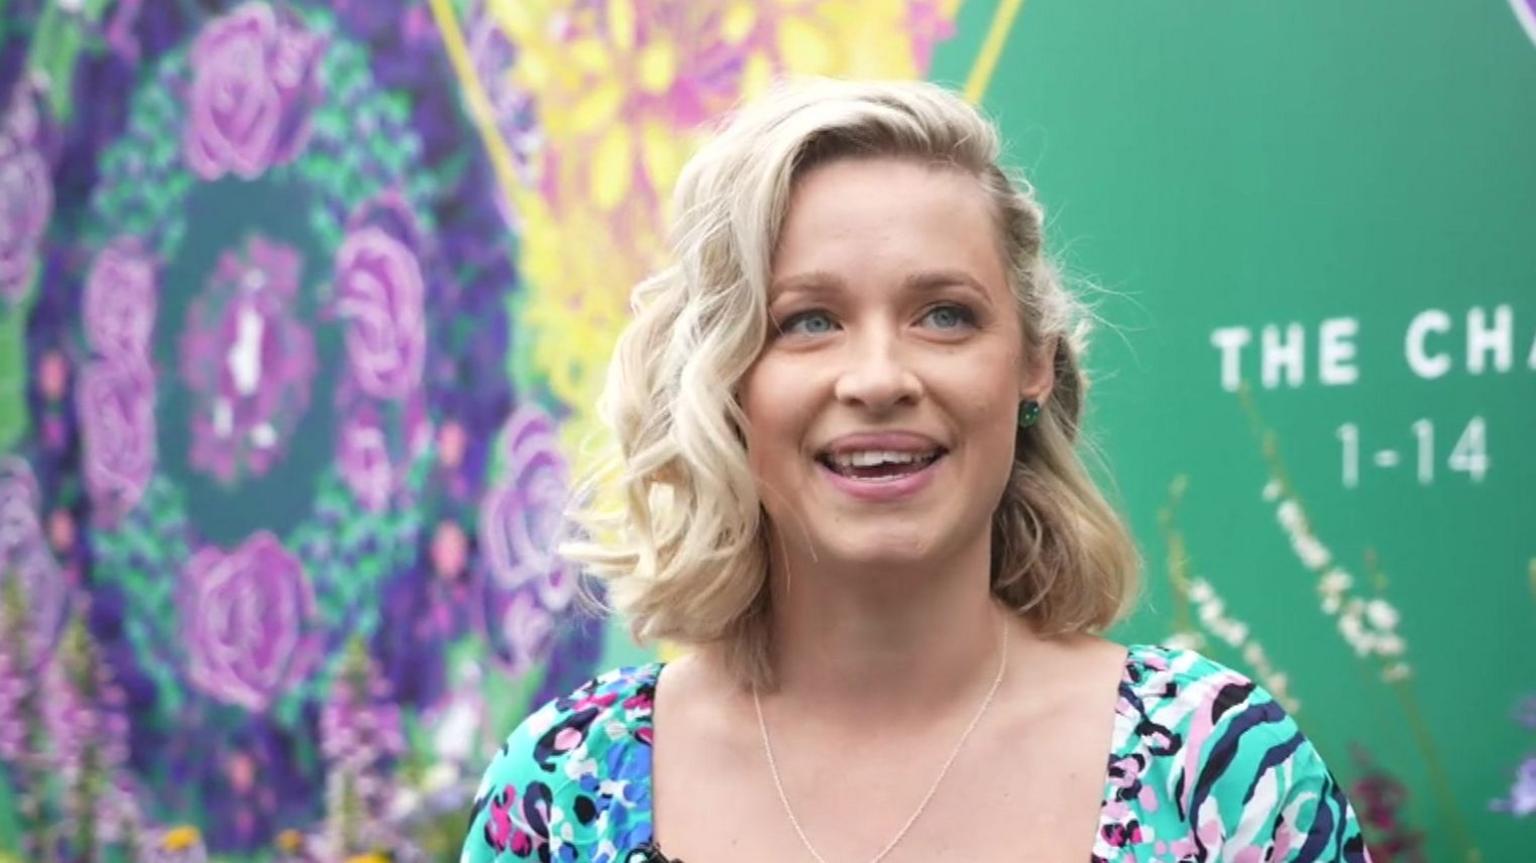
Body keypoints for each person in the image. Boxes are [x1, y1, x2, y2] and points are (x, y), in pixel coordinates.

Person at [460, 78, 1369, 863]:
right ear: (724, 378)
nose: (881, 379)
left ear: (1033, 362)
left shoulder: (1216, 770)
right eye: (807, 320)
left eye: (944, 314)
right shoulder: (563, 786)